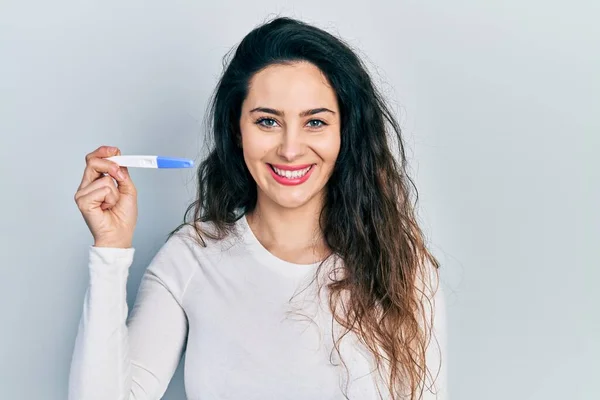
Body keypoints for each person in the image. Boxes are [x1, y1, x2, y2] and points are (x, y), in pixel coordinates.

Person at [69, 16, 446, 400]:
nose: (290, 148)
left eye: (315, 122)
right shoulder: (191, 257)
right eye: (268, 121)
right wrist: (110, 251)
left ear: (343, 133)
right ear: (238, 130)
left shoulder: (400, 266)